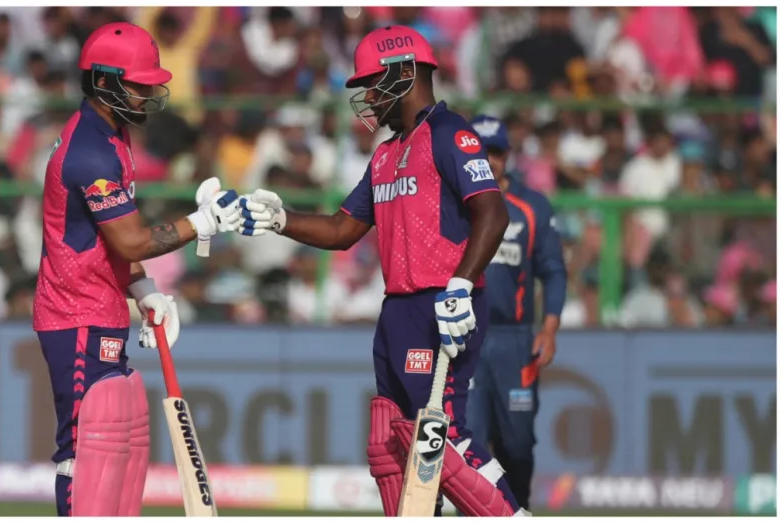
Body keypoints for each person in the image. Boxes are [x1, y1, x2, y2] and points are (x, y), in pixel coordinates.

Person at [236, 26, 528, 517]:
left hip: (441, 304)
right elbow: (341, 230)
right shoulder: (387, 153)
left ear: (405, 73)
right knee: (389, 439)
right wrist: (279, 219)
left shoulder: (449, 133)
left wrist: (460, 287)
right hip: (396, 310)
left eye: (373, 83)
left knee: (440, 436)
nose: (368, 97)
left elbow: (492, 213)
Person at [33, 22, 242, 517]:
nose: (149, 94)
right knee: (85, 450)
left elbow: (111, 241)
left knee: (116, 445)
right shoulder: (90, 153)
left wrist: (143, 287)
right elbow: (130, 239)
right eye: (139, 85)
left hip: (98, 306)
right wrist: (201, 222)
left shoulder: (112, 136)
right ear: (105, 82)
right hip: (75, 315)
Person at [466, 115, 567, 510]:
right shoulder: (453, 204)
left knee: (517, 444)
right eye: (480, 152)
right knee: (468, 442)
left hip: (515, 341)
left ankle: (518, 511)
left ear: (507, 155)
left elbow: (553, 271)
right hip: (466, 338)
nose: (488, 161)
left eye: (495, 152)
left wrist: (550, 329)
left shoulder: (532, 207)